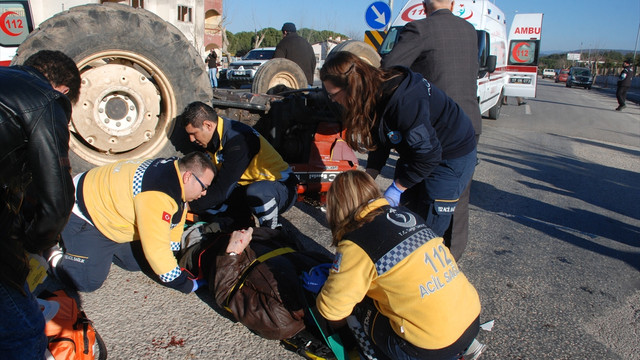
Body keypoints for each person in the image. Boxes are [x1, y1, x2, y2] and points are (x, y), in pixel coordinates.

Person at [316, 170, 484, 360]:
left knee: (359, 305)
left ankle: (369, 353)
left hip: (431, 346)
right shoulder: (405, 214)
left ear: (337, 206)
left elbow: (332, 308)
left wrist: (341, 330)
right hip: (471, 320)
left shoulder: (357, 243)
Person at [321, 51, 476, 241]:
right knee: (405, 219)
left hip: (450, 153)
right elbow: (381, 138)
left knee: (428, 231)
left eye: (333, 95)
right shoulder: (372, 92)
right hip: (418, 150)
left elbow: (429, 155)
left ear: (351, 87)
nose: (333, 100)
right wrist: (369, 175)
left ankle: (430, 266)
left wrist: (397, 188)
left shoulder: (404, 102)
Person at [380, 0, 482, 260]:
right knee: (455, 200)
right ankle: (450, 260)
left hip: (433, 126)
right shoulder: (469, 30)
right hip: (469, 122)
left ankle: (416, 257)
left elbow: (388, 71)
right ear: (454, 3)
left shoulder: (420, 29)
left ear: (424, 5)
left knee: (419, 193)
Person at [0, 50, 81, 359]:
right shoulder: (46, 100)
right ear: (63, 90)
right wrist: (36, 246)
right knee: (23, 329)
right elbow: (57, 201)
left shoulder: (7, 81)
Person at [48, 152, 215, 294]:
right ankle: (53, 252)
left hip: (110, 211)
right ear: (188, 177)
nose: (205, 193)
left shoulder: (174, 172)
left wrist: (174, 252)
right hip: (84, 213)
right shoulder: (158, 195)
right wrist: (185, 284)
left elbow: (177, 216)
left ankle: (98, 253)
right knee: (86, 281)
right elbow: (157, 250)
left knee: (138, 261)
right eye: (204, 187)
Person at [178, 101, 298, 230]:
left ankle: (271, 230)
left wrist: (185, 207)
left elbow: (221, 190)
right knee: (212, 208)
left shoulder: (239, 140)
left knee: (256, 192)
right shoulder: (210, 138)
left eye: (193, 134)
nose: (191, 139)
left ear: (208, 125)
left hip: (280, 188)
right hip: (243, 186)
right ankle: (241, 222)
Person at [274, 22, 317, 87]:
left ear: (285, 32)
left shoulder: (283, 43)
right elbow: (313, 62)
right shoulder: (307, 43)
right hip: (306, 83)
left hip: (290, 84)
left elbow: (276, 63)